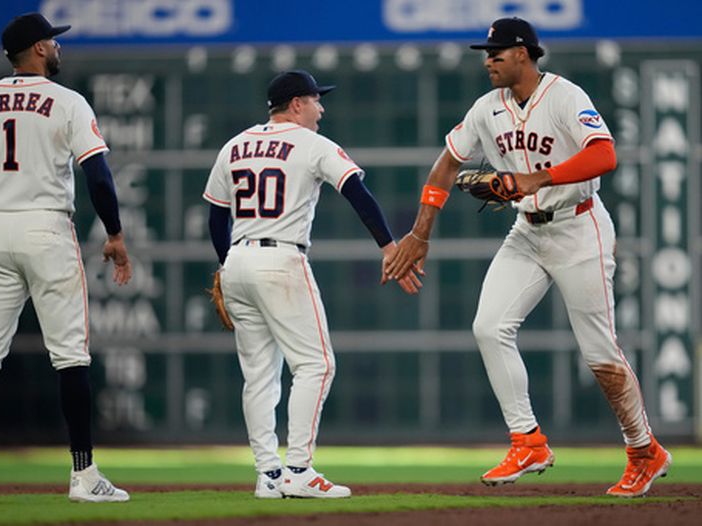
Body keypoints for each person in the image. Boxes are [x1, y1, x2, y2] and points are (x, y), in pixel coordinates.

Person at [385, 17, 671, 497]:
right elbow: (448, 162)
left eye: (496, 52)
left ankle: (643, 450)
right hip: (527, 232)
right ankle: (528, 440)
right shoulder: (486, 108)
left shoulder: (564, 96)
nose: (488, 60)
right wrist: (420, 232)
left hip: (580, 227)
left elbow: (604, 155)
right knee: (488, 326)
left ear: (523, 52)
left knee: (599, 352)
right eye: (487, 52)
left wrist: (538, 179)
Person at [0, 13, 132, 503]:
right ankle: (83, 475)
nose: (58, 49)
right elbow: (98, 175)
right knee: (72, 356)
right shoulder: (67, 102)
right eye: (52, 43)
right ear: (37, 49)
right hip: (47, 229)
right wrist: (115, 233)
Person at [203, 70, 421, 499]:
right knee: (317, 365)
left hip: (239, 259)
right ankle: (299, 469)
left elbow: (215, 214)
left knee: (259, 377)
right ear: (297, 103)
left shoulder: (236, 144)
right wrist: (388, 246)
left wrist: (225, 265)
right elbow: (357, 191)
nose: (322, 109)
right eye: (316, 100)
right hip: (281, 258)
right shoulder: (312, 144)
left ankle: (268, 476)